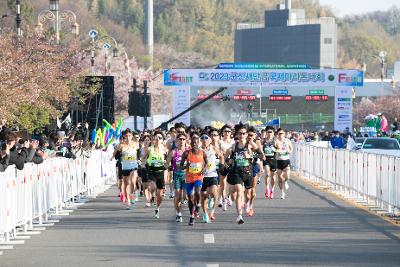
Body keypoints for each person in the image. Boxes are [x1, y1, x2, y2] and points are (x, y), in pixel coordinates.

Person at [225, 124, 262, 224]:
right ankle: (239, 216)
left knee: (248, 195)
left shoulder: (251, 145)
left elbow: (261, 156)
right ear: (237, 134)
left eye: (244, 133)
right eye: (240, 133)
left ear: (246, 135)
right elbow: (226, 157)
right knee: (239, 192)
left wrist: (250, 156)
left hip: (248, 172)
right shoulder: (234, 146)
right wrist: (229, 162)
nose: (242, 135)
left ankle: (246, 203)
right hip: (237, 172)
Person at [180, 132, 207, 226]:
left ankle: (198, 204)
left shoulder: (202, 152)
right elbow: (180, 166)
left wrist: (204, 169)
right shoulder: (186, 153)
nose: (194, 144)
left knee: (197, 192)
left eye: (196, 143)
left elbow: (206, 163)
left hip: (198, 176)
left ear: (198, 143)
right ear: (190, 143)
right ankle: (192, 216)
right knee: (190, 198)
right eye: (193, 143)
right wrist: (185, 166)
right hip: (189, 178)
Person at [142, 131, 167, 218]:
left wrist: (166, 164)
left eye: (160, 138)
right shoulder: (149, 149)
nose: (157, 139)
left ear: (162, 140)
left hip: (160, 172)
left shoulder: (164, 149)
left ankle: (158, 208)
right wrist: (142, 161)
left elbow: (167, 161)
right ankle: (153, 195)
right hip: (152, 171)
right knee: (152, 186)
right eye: (156, 137)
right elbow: (143, 157)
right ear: (153, 139)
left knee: (160, 195)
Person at [200, 131, 224, 223]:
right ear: (200, 141)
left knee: (214, 194)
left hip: (213, 174)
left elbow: (221, 156)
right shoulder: (198, 150)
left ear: (209, 140)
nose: (204, 140)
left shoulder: (213, 148)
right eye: (202, 138)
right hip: (202, 176)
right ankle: (205, 214)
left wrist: (221, 166)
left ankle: (212, 212)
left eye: (206, 138)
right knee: (203, 197)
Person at [166, 133, 188, 222]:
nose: (182, 141)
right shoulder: (173, 152)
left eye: (183, 139)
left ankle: (188, 205)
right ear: (176, 141)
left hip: (187, 175)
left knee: (186, 196)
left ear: (186, 141)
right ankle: (178, 213)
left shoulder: (188, 151)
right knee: (177, 195)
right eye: (180, 139)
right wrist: (167, 166)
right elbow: (167, 163)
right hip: (177, 175)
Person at [218, 124, 235, 210]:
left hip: (232, 162)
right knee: (223, 182)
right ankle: (222, 199)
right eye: (225, 131)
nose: (227, 133)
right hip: (223, 162)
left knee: (231, 183)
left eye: (229, 131)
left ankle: (227, 197)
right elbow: (218, 152)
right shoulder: (220, 142)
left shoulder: (233, 142)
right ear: (222, 133)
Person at [275, 128, 293, 199]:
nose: (281, 135)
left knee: (287, 176)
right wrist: (277, 150)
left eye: (282, 133)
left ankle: (286, 181)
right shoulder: (275, 141)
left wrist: (290, 151)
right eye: (279, 133)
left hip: (286, 160)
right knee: (279, 178)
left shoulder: (287, 141)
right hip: (279, 161)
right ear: (277, 134)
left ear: (284, 134)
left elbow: (291, 148)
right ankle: (282, 192)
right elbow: (273, 149)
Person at [263, 126, 277, 199]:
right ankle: (267, 188)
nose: (269, 133)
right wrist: (262, 155)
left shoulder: (275, 141)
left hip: (273, 159)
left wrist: (274, 149)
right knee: (267, 174)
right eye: (268, 132)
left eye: (271, 132)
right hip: (266, 159)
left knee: (273, 177)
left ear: (273, 133)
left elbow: (280, 149)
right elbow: (260, 150)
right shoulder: (263, 141)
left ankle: (272, 190)